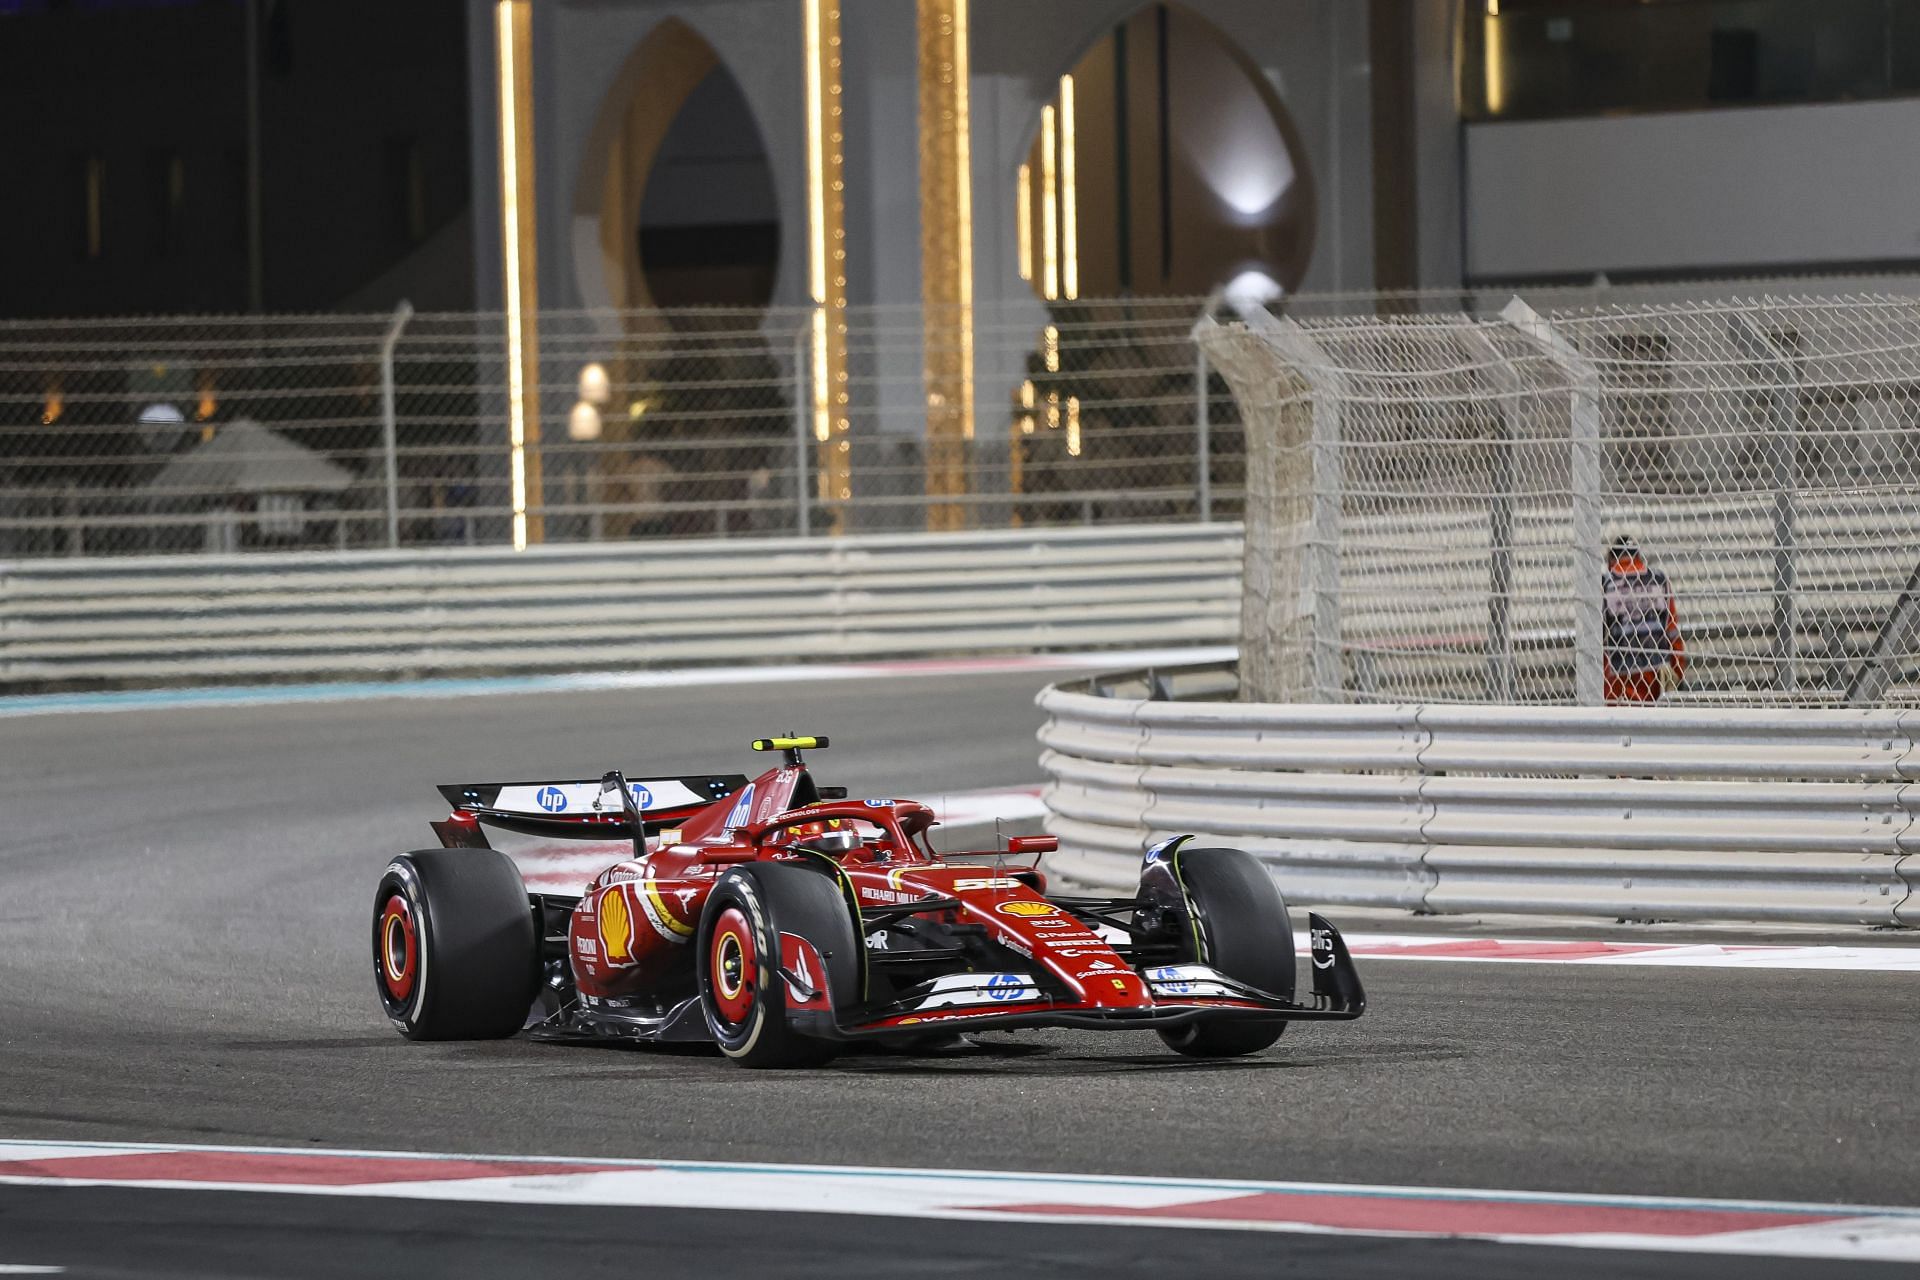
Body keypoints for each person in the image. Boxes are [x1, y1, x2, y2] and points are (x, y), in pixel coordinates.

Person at [1602, 536, 1686, 703]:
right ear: (1638, 557)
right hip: (1656, 677)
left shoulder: (1606, 583)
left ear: (1612, 559)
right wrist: (1678, 671)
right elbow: (1672, 630)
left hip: (1617, 679)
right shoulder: (1658, 580)